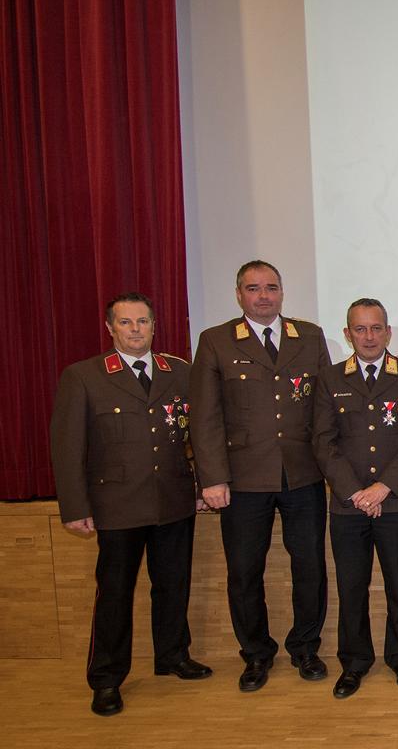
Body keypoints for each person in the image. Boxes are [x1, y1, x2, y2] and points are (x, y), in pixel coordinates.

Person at [50, 292, 212, 716]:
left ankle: (172, 655)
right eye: (126, 322)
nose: (136, 330)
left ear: (154, 326)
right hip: (116, 504)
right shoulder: (84, 376)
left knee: (173, 585)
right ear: (110, 328)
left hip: (173, 498)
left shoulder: (179, 372)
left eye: (143, 322)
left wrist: (203, 483)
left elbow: (200, 434)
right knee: (115, 594)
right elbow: (67, 448)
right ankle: (106, 678)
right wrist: (74, 506)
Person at [189, 260, 332, 692]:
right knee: (244, 571)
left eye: (271, 287)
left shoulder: (308, 336)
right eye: (254, 289)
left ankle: (306, 647)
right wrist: (211, 478)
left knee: (310, 566)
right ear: (239, 295)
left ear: (282, 292)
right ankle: (255, 653)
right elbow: (205, 417)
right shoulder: (215, 341)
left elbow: (324, 407)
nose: (264, 296)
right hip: (243, 479)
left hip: (303, 474)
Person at [312, 299, 398, 697]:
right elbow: (323, 442)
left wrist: (383, 488)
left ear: (388, 332)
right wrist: (354, 492)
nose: (369, 336)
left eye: (376, 328)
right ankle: (355, 662)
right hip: (347, 505)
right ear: (347, 334)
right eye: (360, 329)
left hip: (396, 502)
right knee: (351, 586)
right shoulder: (329, 379)